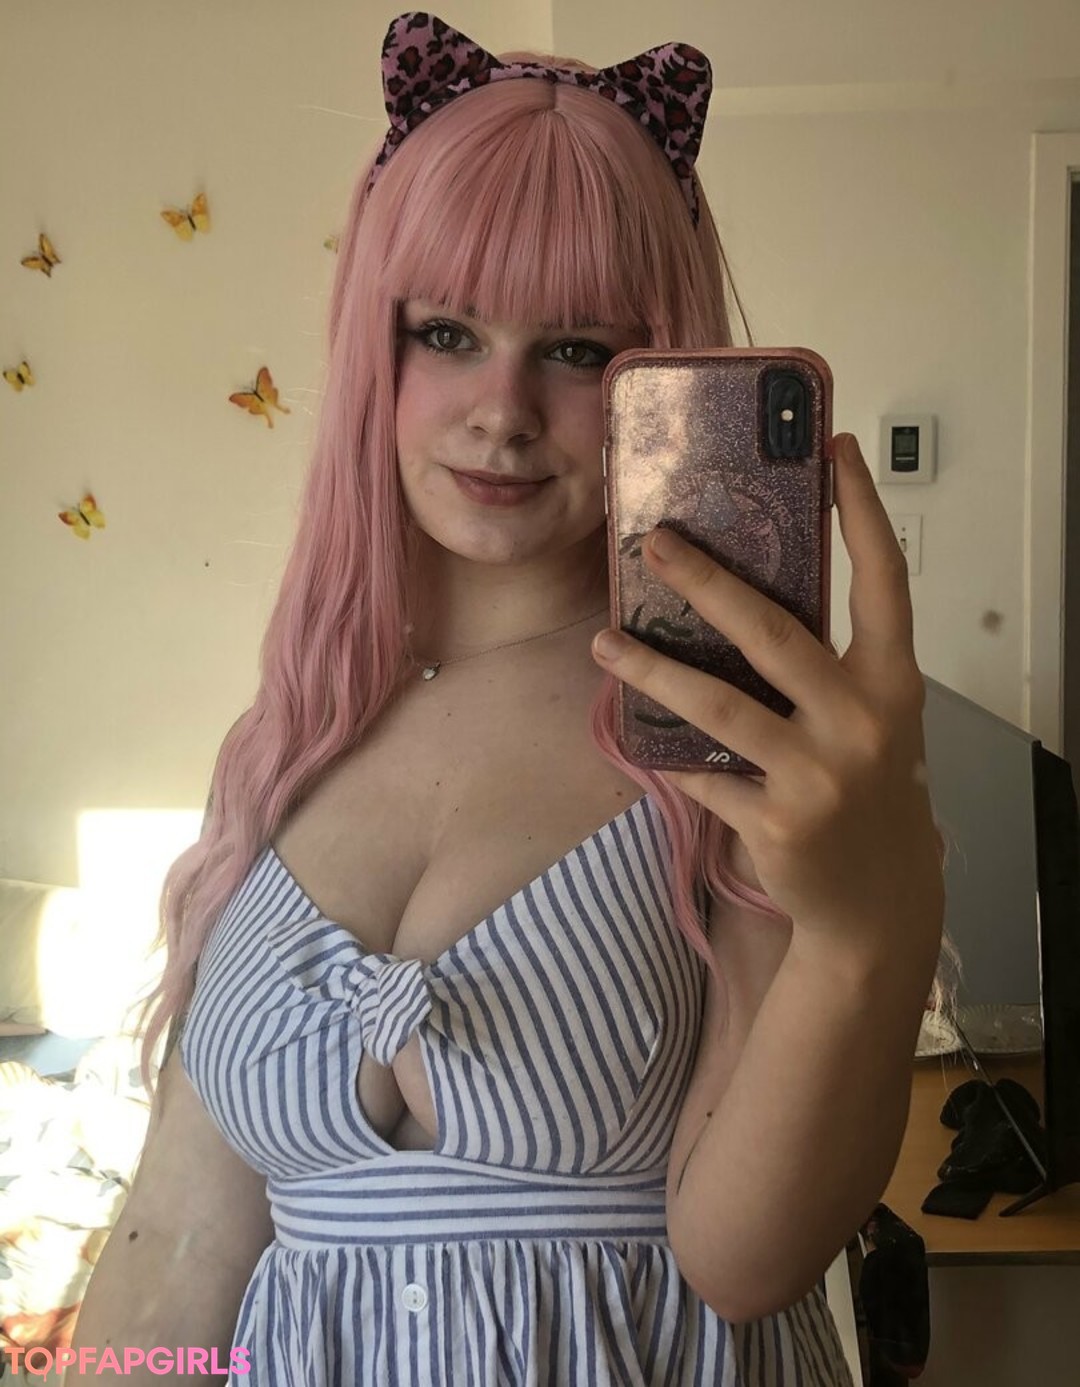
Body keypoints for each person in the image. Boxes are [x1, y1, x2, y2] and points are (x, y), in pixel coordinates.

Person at [69, 11, 947, 1385]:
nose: (502, 410)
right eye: (447, 332)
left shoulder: (719, 729)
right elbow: (177, 1237)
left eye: (580, 351)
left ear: (660, 373)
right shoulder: (295, 740)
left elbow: (745, 1259)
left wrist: (871, 927)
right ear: (377, 352)